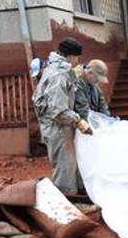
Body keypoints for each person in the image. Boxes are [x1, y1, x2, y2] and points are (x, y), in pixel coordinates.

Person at [32, 37, 94, 195]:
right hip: (57, 126)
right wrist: (78, 120)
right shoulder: (59, 74)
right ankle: (67, 200)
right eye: (77, 57)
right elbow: (58, 111)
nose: (77, 61)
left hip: (60, 125)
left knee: (71, 162)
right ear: (71, 56)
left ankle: (76, 194)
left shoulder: (57, 69)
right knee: (65, 166)